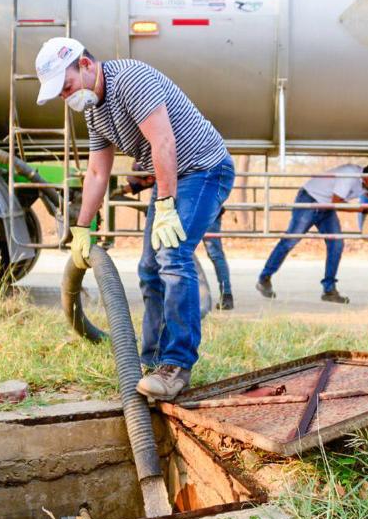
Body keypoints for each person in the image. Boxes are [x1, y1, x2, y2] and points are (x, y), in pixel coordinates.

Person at [35, 37, 234, 401]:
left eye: (66, 86)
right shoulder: (94, 110)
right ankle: (152, 362)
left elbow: (163, 142)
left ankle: (176, 365)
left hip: (205, 169)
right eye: (61, 94)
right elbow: (98, 172)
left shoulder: (130, 80)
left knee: (173, 257)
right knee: (149, 267)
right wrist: (82, 227)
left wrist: (167, 203)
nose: (67, 97)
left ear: (85, 65)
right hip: (171, 175)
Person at [256, 162, 368, 303]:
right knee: (290, 241)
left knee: (337, 244)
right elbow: (336, 203)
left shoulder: (366, 183)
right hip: (310, 200)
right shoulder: (350, 174)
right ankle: (264, 278)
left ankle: (329, 290)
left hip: (326, 207)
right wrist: (362, 209)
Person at [121, 162, 234, 310]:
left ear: (150, 178)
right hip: (185, 210)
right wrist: (119, 190)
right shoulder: (160, 171)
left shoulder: (169, 169)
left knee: (211, 252)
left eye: (140, 181)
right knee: (182, 255)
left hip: (206, 211)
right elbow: (138, 184)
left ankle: (226, 294)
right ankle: (192, 302)